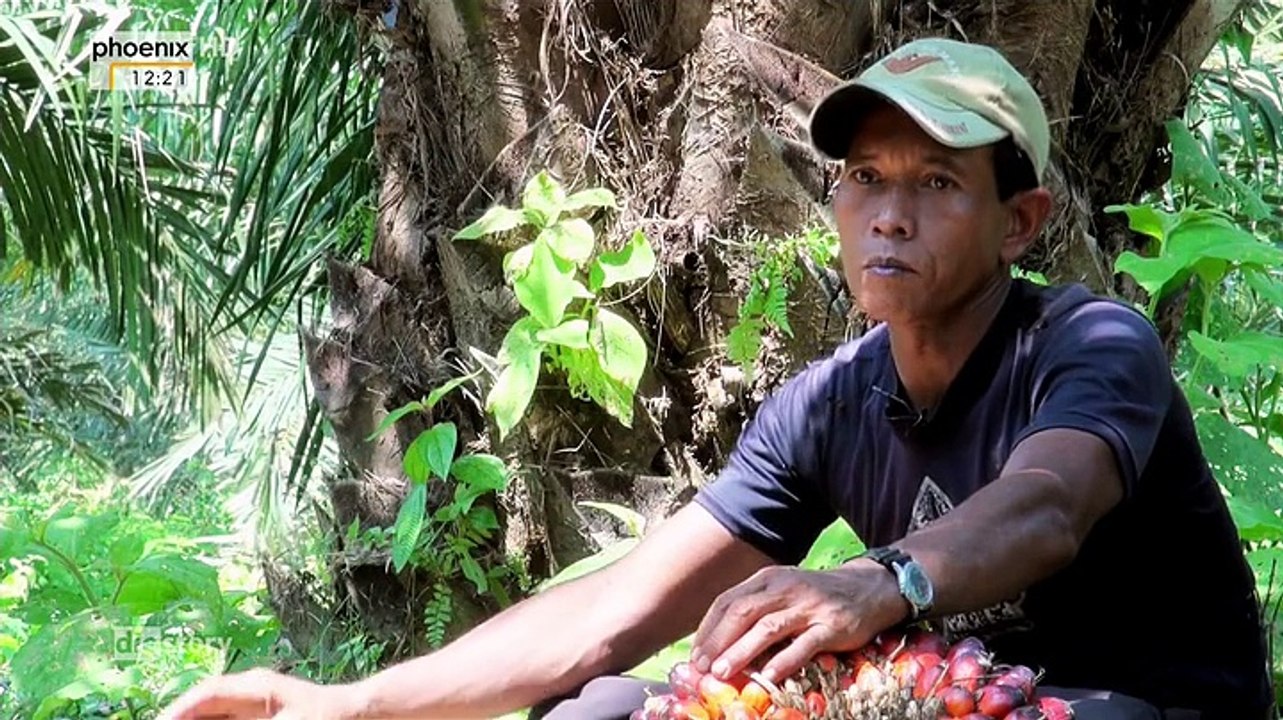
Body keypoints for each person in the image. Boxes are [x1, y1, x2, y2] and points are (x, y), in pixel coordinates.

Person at [159, 38, 1273, 720]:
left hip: (1140, 708)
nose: (887, 211)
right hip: (939, 706)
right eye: (864, 178)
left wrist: (879, 583)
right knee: (594, 706)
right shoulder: (835, 400)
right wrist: (346, 704)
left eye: (937, 181)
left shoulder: (1086, 347)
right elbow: (612, 613)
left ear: (1016, 222)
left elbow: (1043, 506)